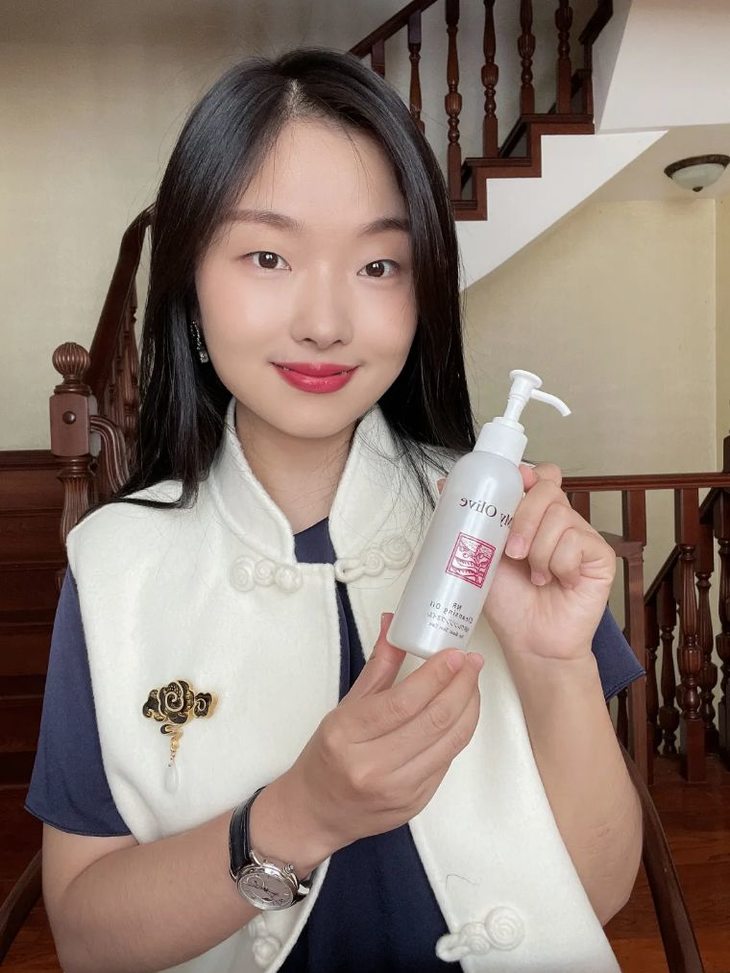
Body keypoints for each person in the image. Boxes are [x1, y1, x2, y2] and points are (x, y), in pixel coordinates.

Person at [26, 49, 644, 973]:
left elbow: (600, 891)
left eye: (379, 263)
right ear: (190, 288)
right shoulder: (113, 565)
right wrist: (297, 816)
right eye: (268, 256)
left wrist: (556, 666)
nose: (325, 322)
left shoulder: (503, 529)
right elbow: (85, 937)